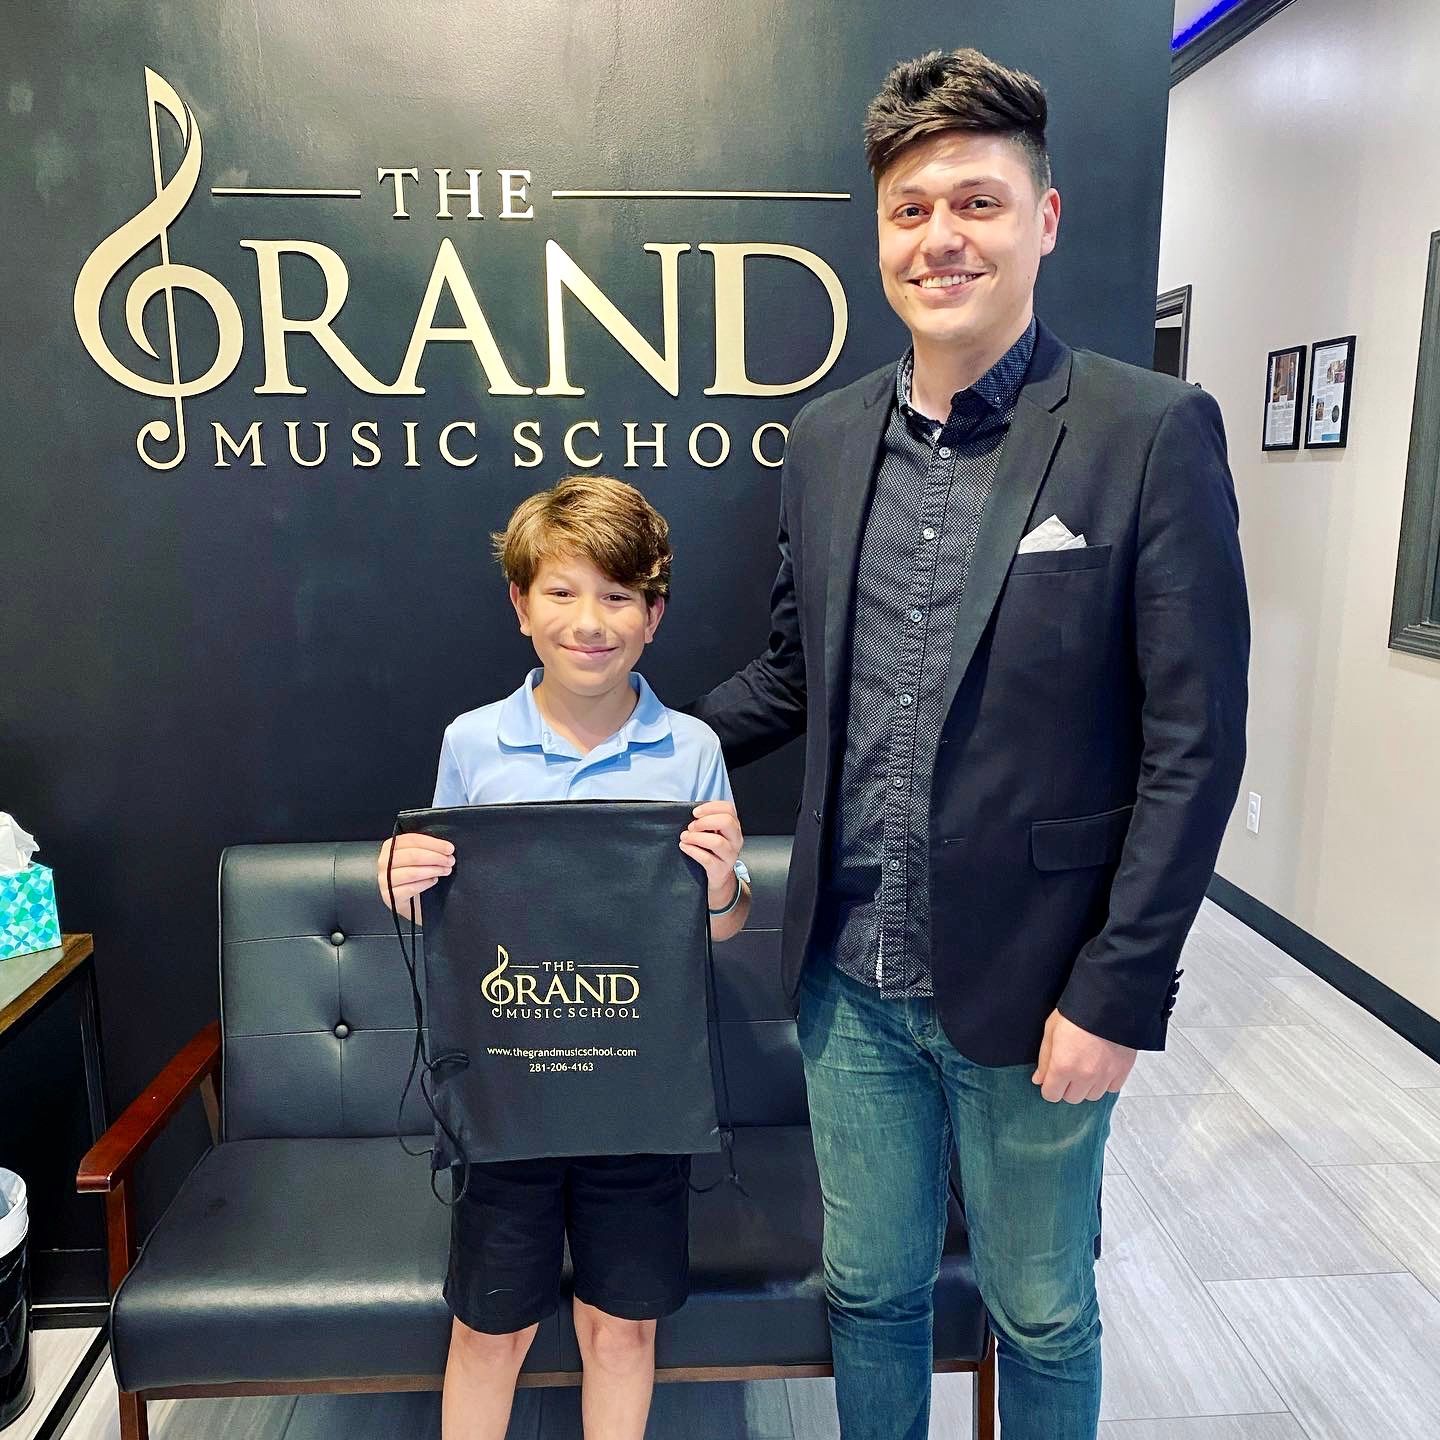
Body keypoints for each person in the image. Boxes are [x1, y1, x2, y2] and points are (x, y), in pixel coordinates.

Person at [688, 47, 1249, 1440]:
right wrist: (612, 751)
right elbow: (794, 676)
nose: (942, 237)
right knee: (871, 1292)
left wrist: (1120, 992)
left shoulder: (1147, 430)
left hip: (1039, 988)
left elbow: (1198, 740)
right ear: (879, 233)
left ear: (1044, 219)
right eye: (911, 208)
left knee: (1041, 1306)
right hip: (848, 984)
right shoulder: (821, 443)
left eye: (979, 203)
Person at [378, 473, 750, 1440]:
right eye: (561, 591)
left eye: (619, 596)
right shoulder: (474, 744)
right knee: (488, 1332)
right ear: (520, 606)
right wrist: (402, 881)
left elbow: (723, 928)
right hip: (510, 1095)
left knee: (621, 1331)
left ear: (653, 615)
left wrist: (723, 885)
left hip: (640, 1098)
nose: (591, 621)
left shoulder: (692, 747)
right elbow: (448, 925)